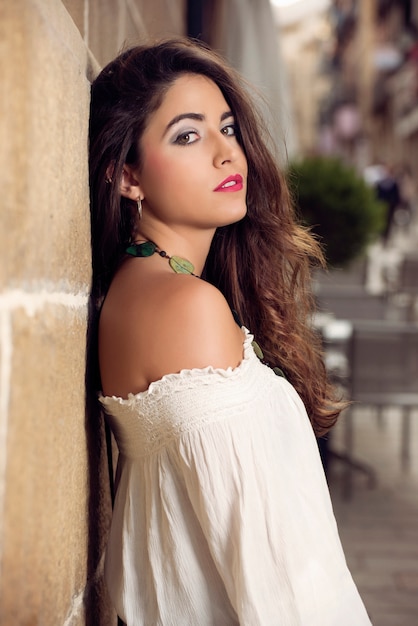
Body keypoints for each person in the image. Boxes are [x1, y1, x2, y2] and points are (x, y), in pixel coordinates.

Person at [89, 38, 372, 625]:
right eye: (187, 135)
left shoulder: (141, 286)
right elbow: (279, 577)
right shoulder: (185, 306)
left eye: (227, 128)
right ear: (127, 177)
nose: (227, 154)